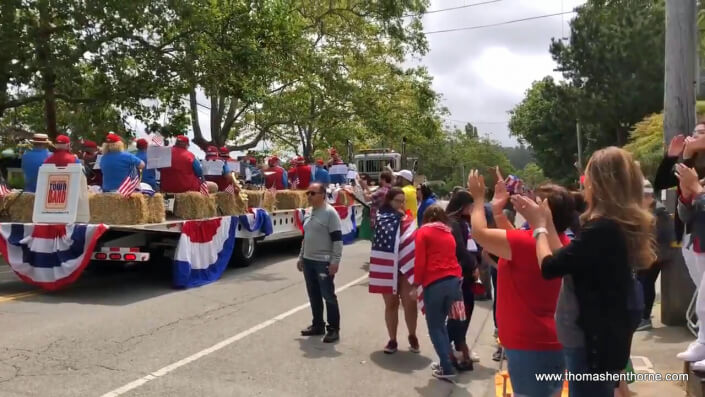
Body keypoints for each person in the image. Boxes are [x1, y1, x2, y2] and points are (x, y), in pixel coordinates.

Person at [512, 146, 655, 396]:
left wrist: (538, 228)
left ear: (599, 183)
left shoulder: (602, 229)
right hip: (605, 335)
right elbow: (569, 260)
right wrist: (546, 224)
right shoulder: (619, 224)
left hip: (591, 343)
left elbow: (549, 266)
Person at [467, 169, 574, 397]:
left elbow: (478, 232)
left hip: (528, 345)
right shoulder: (562, 244)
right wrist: (497, 211)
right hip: (553, 341)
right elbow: (514, 242)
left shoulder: (525, 244)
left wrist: (477, 199)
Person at [413, 204, 463, 380]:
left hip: (435, 282)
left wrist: (415, 283)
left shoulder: (423, 232)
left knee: (435, 327)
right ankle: (445, 361)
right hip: (454, 282)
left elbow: (419, 261)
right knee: (444, 325)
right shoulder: (448, 232)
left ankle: (447, 368)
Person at [368, 187, 420, 355]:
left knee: (409, 304)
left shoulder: (408, 219)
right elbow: (377, 242)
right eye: (398, 200)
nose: (401, 204)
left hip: (406, 268)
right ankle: (392, 339)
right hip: (388, 266)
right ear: (389, 201)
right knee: (391, 304)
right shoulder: (381, 219)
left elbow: (413, 241)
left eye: (403, 200)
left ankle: (412, 335)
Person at [298, 182, 343, 343]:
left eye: (313, 193)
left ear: (323, 195)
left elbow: (337, 240)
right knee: (314, 295)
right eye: (307, 193)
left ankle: (333, 329)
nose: (309, 196)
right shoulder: (309, 212)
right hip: (309, 261)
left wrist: (335, 261)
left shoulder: (330, 213)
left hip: (323, 262)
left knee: (328, 296)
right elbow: (306, 237)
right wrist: (301, 256)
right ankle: (318, 324)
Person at [445, 190, 482, 371]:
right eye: (470, 205)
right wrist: (474, 265)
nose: (472, 208)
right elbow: (459, 250)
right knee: (460, 313)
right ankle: (452, 347)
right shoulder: (453, 223)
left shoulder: (464, 222)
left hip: (467, 274)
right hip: (460, 274)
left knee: (465, 311)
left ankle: (460, 344)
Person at [636, 179, 674, 331]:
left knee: (646, 283)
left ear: (647, 196)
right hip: (648, 253)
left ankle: (645, 317)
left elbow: (661, 235)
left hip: (657, 254)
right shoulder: (649, 209)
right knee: (642, 283)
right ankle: (644, 314)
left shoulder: (659, 210)